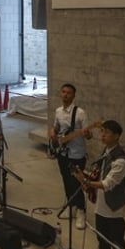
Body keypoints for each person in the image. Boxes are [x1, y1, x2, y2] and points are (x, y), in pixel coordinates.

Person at [76, 120, 125, 249]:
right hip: (101, 204)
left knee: (117, 241)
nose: (103, 135)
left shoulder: (121, 160)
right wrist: (84, 176)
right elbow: (98, 176)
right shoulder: (106, 152)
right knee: (102, 237)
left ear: (117, 136)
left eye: (107, 132)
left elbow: (107, 184)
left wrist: (85, 181)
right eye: (102, 131)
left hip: (114, 208)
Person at [48, 83, 91, 229]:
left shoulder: (80, 113)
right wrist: (53, 132)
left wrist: (87, 134)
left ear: (74, 95)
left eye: (69, 93)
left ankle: (81, 211)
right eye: (63, 92)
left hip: (76, 154)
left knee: (76, 183)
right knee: (66, 180)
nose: (65, 95)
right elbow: (56, 127)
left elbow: (88, 135)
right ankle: (71, 205)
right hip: (63, 152)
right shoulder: (58, 111)